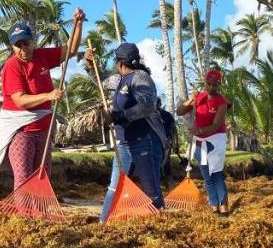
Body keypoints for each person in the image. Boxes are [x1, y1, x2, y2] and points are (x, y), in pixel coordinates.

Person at [0, 10, 85, 188]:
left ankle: (39, 214)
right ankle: (25, 215)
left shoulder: (42, 56)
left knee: (41, 176)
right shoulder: (12, 66)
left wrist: (78, 24)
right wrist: (48, 96)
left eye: (26, 43)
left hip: (44, 129)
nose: (23, 49)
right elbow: (20, 100)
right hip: (21, 131)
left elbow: (70, 50)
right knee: (24, 177)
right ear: (12, 47)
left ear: (33, 42)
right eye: (18, 45)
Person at [86, 43, 167, 221]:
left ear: (119, 62)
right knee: (114, 187)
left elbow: (146, 106)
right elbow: (102, 81)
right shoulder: (120, 80)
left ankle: (161, 224)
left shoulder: (140, 78)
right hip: (124, 143)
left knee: (150, 190)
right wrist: (92, 66)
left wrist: (119, 116)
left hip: (144, 140)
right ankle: (104, 223)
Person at [177, 69, 230, 216]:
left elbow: (216, 124)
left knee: (216, 173)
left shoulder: (222, 102)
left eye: (215, 85)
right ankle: (214, 205)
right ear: (205, 83)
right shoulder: (198, 97)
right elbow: (179, 111)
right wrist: (191, 100)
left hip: (215, 139)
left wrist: (199, 131)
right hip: (200, 141)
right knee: (206, 175)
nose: (212, 87)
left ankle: (224, 205)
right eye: (210, 84)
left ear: (219, 85)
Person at [156, 98, 181, 182]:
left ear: (160, 104)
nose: (156, 106)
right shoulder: (150, 115)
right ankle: (158, 180)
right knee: (155, 162)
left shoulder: (167, 115)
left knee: (166, 162)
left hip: (166, 142)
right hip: (154, 143)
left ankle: (169, 181)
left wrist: (175, 143)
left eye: (157, 104)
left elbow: (174, 129)